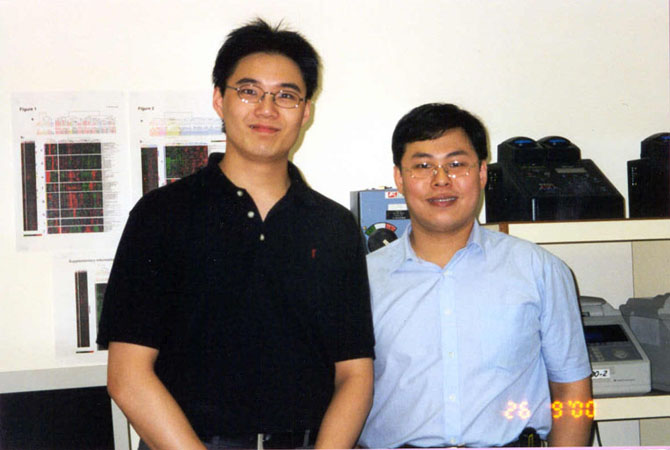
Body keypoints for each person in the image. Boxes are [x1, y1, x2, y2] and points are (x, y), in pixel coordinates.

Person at [97, 19, 374, 450]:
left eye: (286, 95)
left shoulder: (334, 226)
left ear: (305, 111)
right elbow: (128, 376)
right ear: (219, 100)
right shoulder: (162, 215)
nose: (267, 109)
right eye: (249, 91)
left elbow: (355, 373)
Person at [358, 103, 593, 448]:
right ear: (399, 178)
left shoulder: (539, 270)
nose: (441, 179)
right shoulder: (361, 281)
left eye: (456, 164)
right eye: (423, 166)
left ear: (482, 173)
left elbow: (572, 390)